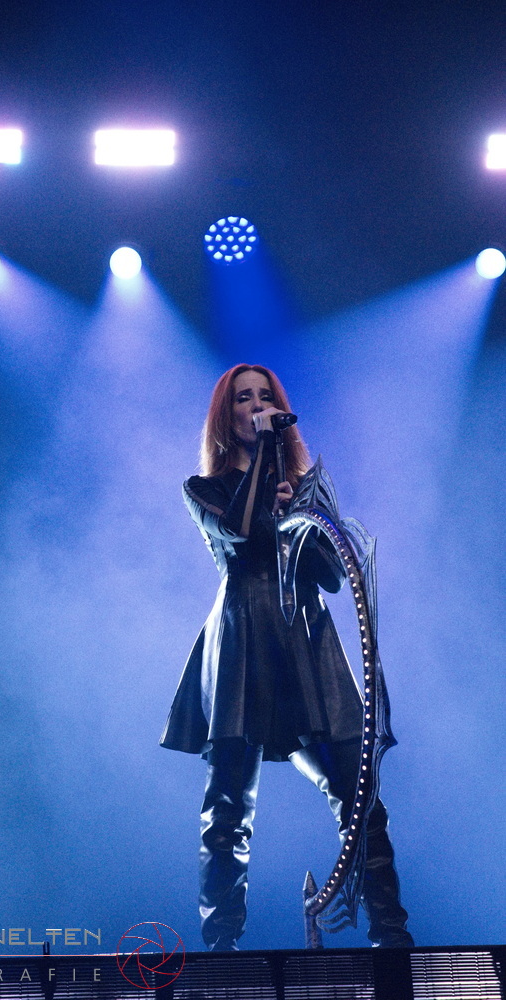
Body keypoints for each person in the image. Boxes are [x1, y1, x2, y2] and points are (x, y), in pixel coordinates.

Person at [160, 364, 413, 951]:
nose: (256, 407)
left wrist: (300, 515)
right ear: (226, 414)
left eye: (265, 397)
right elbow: (241, 532)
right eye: (243, 399)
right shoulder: (203, 489)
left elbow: (330, 577)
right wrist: (266, 481)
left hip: (307, 646)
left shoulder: (300, 490)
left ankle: (392, 936)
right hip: (243, 645)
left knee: (359, 794)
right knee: (228, 809)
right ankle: (222, 948)